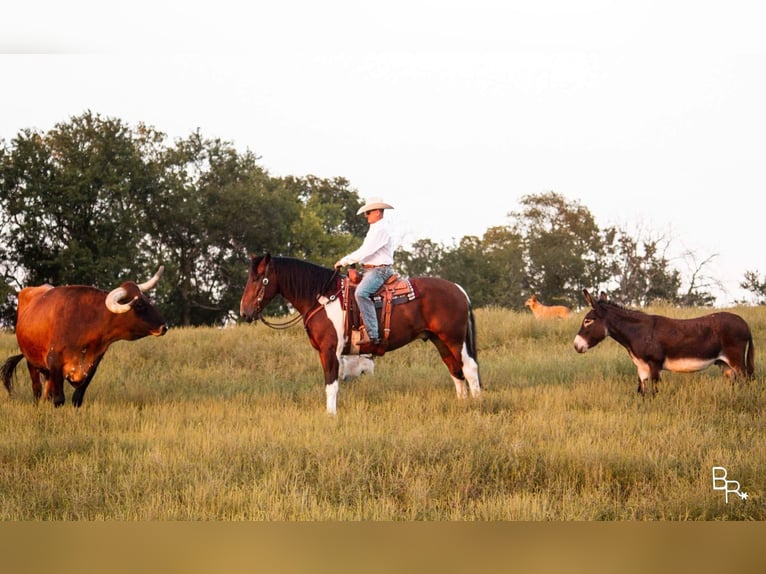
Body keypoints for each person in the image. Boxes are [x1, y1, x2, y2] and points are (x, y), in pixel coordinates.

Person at [334, 197, 395, 345]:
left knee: (361, 293)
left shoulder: (381, 229)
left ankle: (373, 335)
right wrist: (353, 266)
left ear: (378, 212)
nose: (365, 215)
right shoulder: (375, 228)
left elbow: (365, 251)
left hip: (380, 270)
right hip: (370, 270)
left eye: (368, 212)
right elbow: (367, 253)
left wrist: (344, 261)